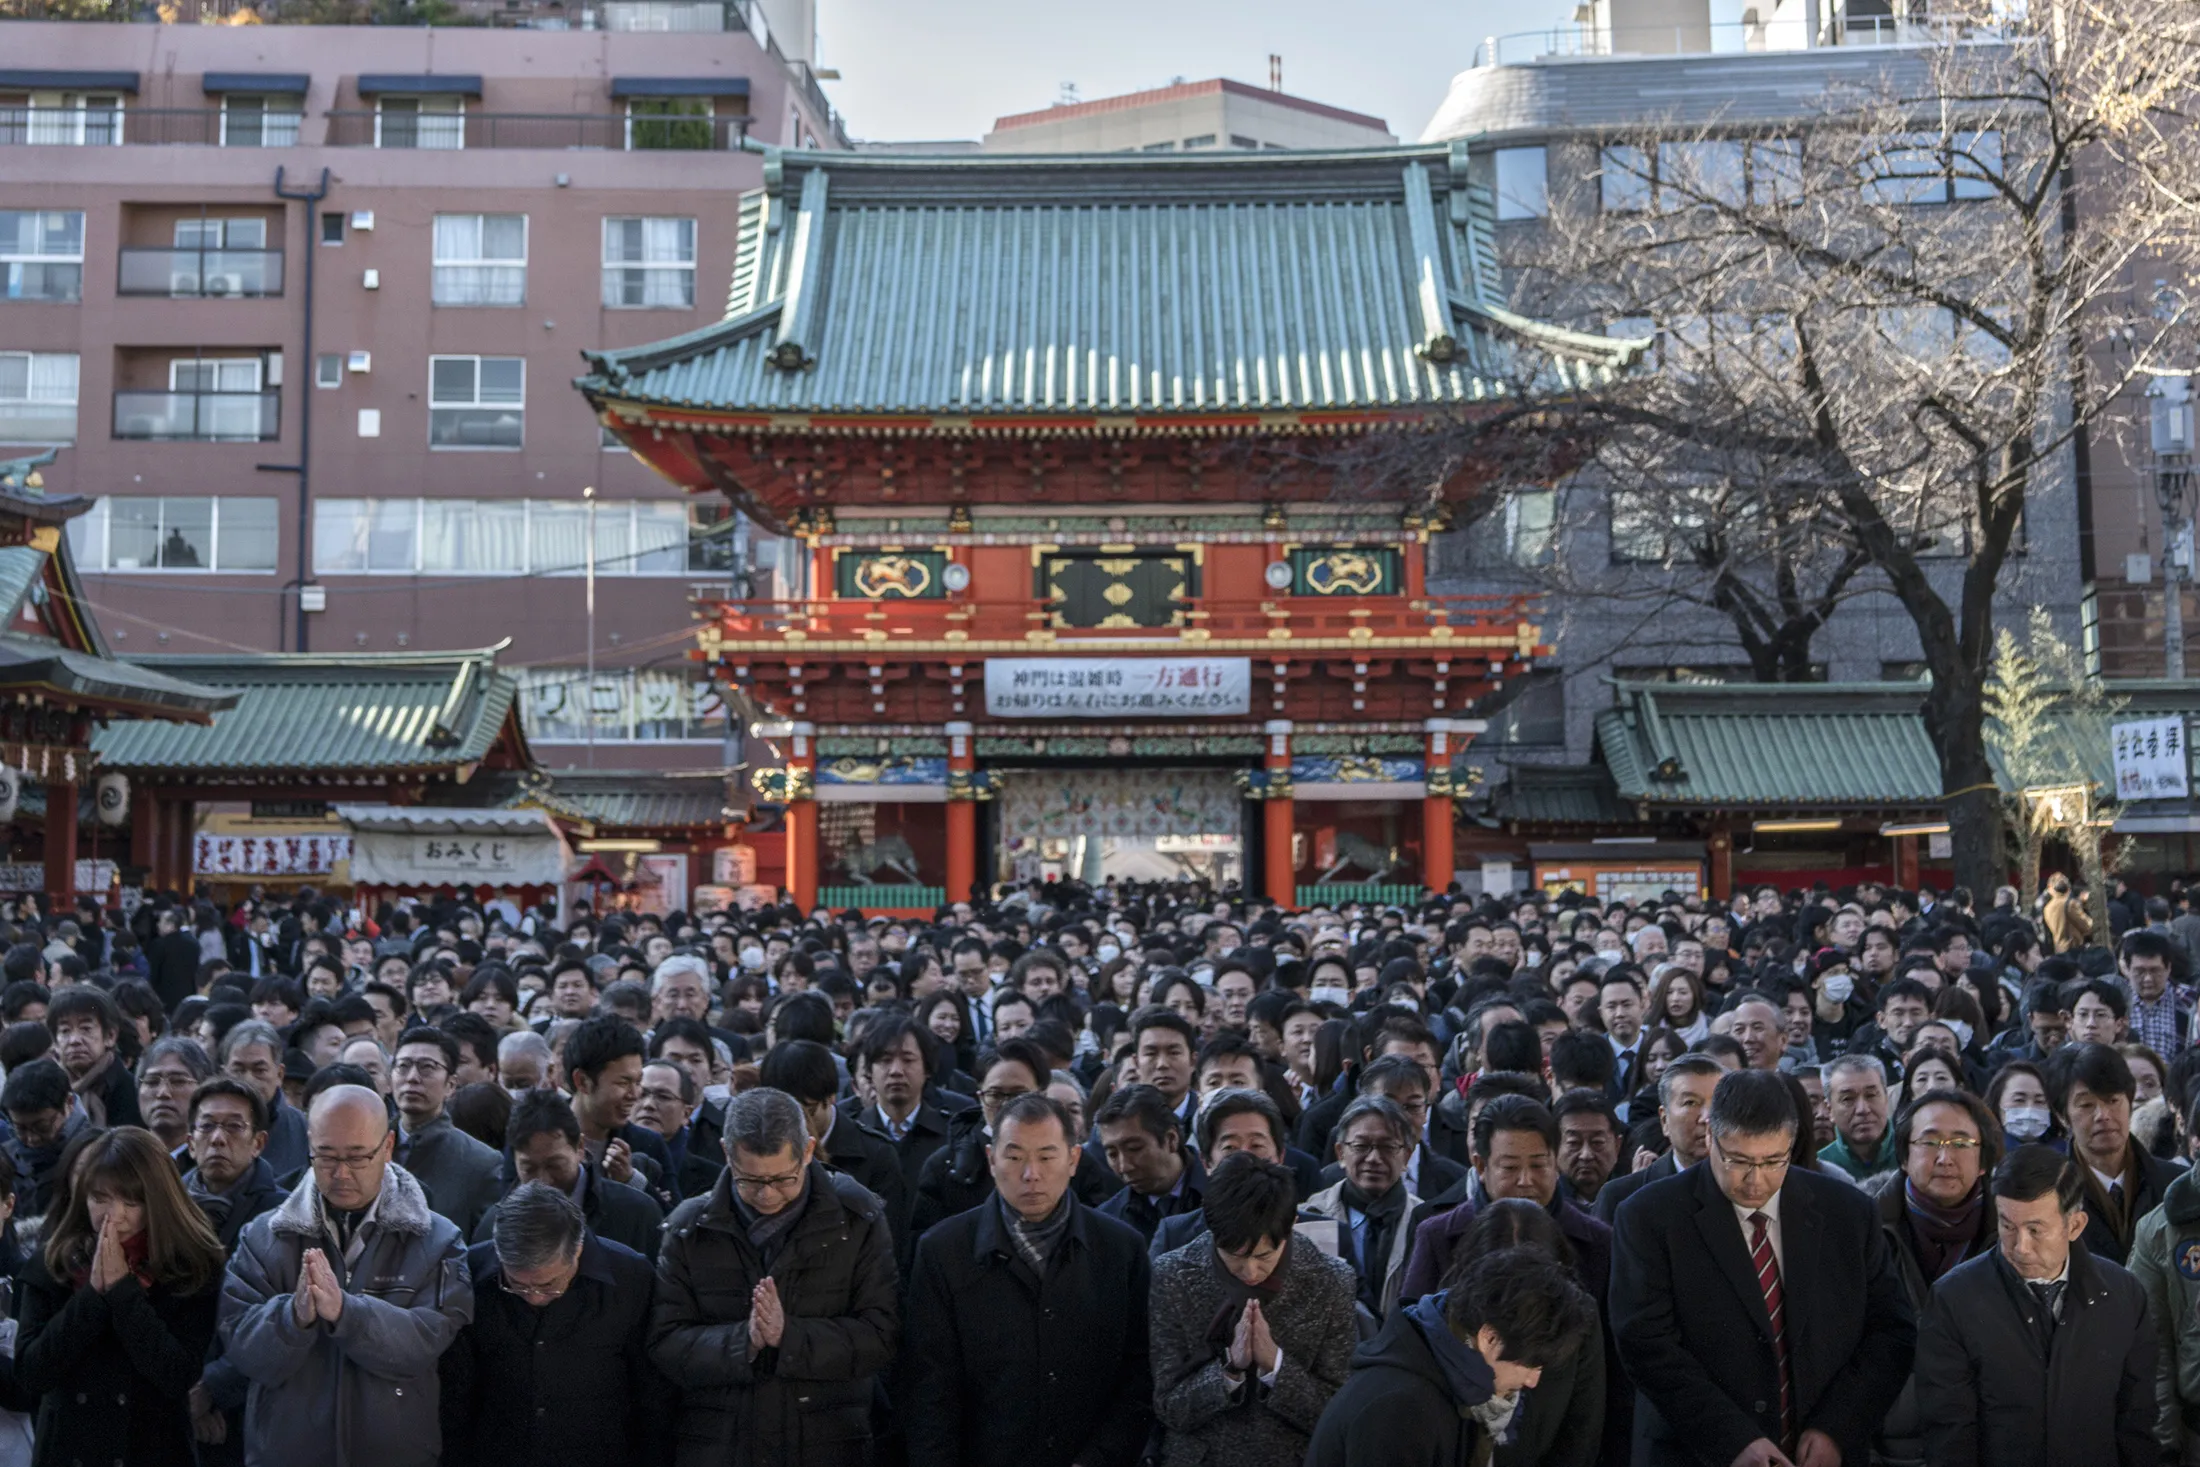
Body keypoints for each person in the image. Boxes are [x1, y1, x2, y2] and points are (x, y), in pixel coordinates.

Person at [1609, 1068, 1916, 1467]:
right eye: (1738, 1160)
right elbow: (1645, 1344)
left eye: (1774, 1160)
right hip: (1695, 1451)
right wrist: (1734, 1440)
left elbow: (1891, 1331)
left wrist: (1836, 1428)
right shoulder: (1648, 1216)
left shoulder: (1848, 1212)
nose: (1755, 1181)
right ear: (1710, 1139)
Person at [218, 1085, 473, 1467]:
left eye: (357, 1158)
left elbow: (425, 1342)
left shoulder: (436, 1239)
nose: (340, 1173)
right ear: (309, 1144)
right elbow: (242, 1347)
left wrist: (346, 1312)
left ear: (387, 1147)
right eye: (325, 1156)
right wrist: (294, 1317)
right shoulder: (263, 1236)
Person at [651, 1086, 898, 1467]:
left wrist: (790, 1336)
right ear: (726, 1154)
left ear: (809, 1151)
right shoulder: (689, 1228)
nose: (767, 1196)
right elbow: (665, 1342)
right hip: (721, 1444)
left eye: (783, 1179)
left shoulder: (855, 1220)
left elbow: (881, 1335)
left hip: (826, 1439)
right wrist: (743, 1342)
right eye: (750, 1181)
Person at [903, 1092, 1152, 1467]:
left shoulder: (1121, 1249)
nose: (1030, 1174)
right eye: (1015, 1157)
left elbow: (1140, 1375)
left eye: (1047, 1157)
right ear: (991, 1160)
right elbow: (929, 1389)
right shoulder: (943, 1252)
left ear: (1073, 1160)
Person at [1914, 1145, 2156, 1467]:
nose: (2020, 1248)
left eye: (2035, 1230)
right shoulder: (1954, 1299)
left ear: (2075, 1225)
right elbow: (1949, 1433)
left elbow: (2136, 1423)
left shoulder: (2123, 1295)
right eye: (2008, 1227)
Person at [14, 1126, 227, 1467]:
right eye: (100, 1198)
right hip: (69, 1447)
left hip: (151, 1448)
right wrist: (93, 1296)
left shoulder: (190, 1267)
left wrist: (122, 1292)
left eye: (131, 1201)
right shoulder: (54, 1260)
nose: (114, 1216)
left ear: (157, 1199)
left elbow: (177, 1374)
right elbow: (31, 1374)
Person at [440, 1182, 673, 1467]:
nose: (534, 1298)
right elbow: (455, 1396)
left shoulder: (630, 1278)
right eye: (517, 1285)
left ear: (577, 1251)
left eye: (549, 1284)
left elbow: (652, 1395)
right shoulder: (471, 1274)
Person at [1304, 1245, 1600, 1467]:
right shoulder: (1400, 1409)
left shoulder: (1454, 1380)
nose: (1533, 1380)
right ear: (1490, 1338)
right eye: (1530, 1364)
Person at [1148, 1153, 1357, 1466]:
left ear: (1292, 1226)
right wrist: (1229, 1368)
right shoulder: (1173, 1275)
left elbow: (1337, 1413)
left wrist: (1276, 1365)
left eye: (1264, 1256)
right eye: (1234, 1255)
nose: (1249, 1271)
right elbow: (1168, 1407)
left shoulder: (1332, 1281)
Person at [1871, 1088, 2003, 1467]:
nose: (1945, 1157)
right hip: (1891, 1444)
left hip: (1990, 1442)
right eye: (1930, 1142)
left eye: (1961, 1143)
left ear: (1983, 1159)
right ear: (1904, 1154)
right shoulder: (1864, 1231)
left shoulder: (2013, 1235)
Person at [474, 1088, 664, 1260]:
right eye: (529, 1169)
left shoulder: (636, 1213)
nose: (543, 1180)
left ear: (580, 1147)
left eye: (554, 1165)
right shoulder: (495, 1225)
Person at [2046, 1042, 2179, 1266]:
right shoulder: (2047, 1194)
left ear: (2130, 1101)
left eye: (2113, 1100)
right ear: (2062, 1116)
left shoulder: (2175, 1184)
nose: (2103, 1115)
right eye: (2086, 1104)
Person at [1302, 1095, 1423, 1324]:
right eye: (1361, 1146)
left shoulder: (1425, 1220)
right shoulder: (1312, 1216)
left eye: (1387, 1147)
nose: (1374, 1158)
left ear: (1406, 1155)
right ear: (1340, 1153)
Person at [390, 1029, 504, 1238]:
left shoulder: (481, 1163)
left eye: (427, 1068)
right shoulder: (368, 1147)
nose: (412, 1077)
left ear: (451, 1085)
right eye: (403, 1067)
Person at [1596, 1056, 1721, 1223]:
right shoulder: (1621, 1196)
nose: (1706, 1118)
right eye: (1691, 1103)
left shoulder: (1751, 1188)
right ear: (1664, 1120)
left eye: (1717, 1103)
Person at [1095, 1082, 1206, 1244]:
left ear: (1171, 1139)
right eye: (1112, 1154)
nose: (1124, 1166)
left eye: (1134, 1149)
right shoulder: (1107, 1222)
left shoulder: (1220, 1195)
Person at [218, 1021, 309, 1178]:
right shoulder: (207, 1129)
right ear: (224, 1073)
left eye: (259, 1070)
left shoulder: (303, 1129)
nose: (248, 1079)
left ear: (279, 1074)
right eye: (238, 1070)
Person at [46, 985, 142, 1130]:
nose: (74, 1040)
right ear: (55, 1042)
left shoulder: (132, 1091)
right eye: (65, 1031)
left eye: (86, 1029)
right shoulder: (50, 1090)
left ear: (110, 1036)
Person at [1818, 1055, 1895, 1181]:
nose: (1862, 1109)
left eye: (1871, 1095)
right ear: (1830, 1109)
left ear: (1886, 1099)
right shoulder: (1819, 1167)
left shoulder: (1912, 1153)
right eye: (1848, 1099)